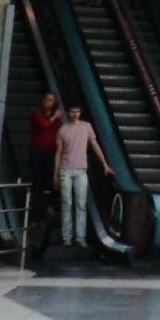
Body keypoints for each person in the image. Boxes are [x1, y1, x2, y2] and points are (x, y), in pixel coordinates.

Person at [55, 102, 113, 247]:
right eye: (72, 111)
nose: (75, 114)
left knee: (80, 204)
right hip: (65, 169)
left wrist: (104, 164)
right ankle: (67, 237)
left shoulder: (86, 127)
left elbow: (94, 145)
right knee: (67, 203)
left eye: (77, 111)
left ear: (80, 113)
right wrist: (55, 173)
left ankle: (80, 237)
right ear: (68, 113)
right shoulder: (62, 129)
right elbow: (58, 152)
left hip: (81, 169)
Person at [28, 93, 62, 216]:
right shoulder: (36, 114)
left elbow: (59, 131)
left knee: (48, 180)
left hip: (51, 151)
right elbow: (44, 125)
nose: (47, 101)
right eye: (46, 99)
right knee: (37, 180)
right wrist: (54, 117)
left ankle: (47, 207)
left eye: (51, 100)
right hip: (38, 150)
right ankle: (36, 209)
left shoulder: (57, 119)